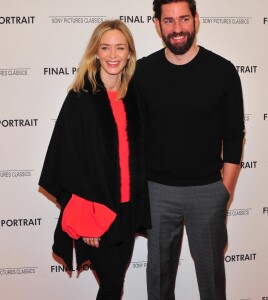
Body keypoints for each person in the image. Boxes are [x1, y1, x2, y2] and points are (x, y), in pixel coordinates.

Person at [134, 1, 245, 299]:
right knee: (158, 282)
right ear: (157, 25)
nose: (177, 29)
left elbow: (234, 136)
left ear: (196, 19)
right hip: (157, 192)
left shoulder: (222, 71)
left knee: (211, 283)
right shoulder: (142, 72)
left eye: (183, 19)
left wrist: (225, 190)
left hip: (208, 190)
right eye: (168, 21)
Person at [39, 19, 150, 300]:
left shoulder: (134, 97)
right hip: (98, 211)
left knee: (115, 284)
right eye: (106, 48)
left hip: (127, 210)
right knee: (112, 285)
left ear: (129, 54)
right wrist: (88, 215)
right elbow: (68, 160)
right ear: (96, 53)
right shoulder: (81, 99)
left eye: (120, 48)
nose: (113, 55)